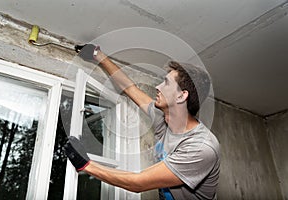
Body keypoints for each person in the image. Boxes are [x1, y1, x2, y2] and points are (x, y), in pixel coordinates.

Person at [64, 44, 220, 199]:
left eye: (166, 83)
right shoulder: (163, 118)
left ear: (181, 96)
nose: (158, 87)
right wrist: (98, 55)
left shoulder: (201, 147)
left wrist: (86, 165)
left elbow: (138, 183)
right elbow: (130, 88)